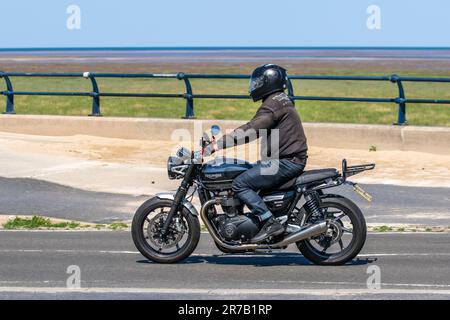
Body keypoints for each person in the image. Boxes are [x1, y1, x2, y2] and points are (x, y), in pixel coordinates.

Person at [204, 64, 308, 243]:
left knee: (240, 183)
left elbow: (252, 129)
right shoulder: (280, 100)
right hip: (285, 159)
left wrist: (218, 144)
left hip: (286, 162)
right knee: (248, 172)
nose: (254, 86)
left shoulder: (272, 105)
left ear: (268, 82)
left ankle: (269, 221)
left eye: (258, 82)